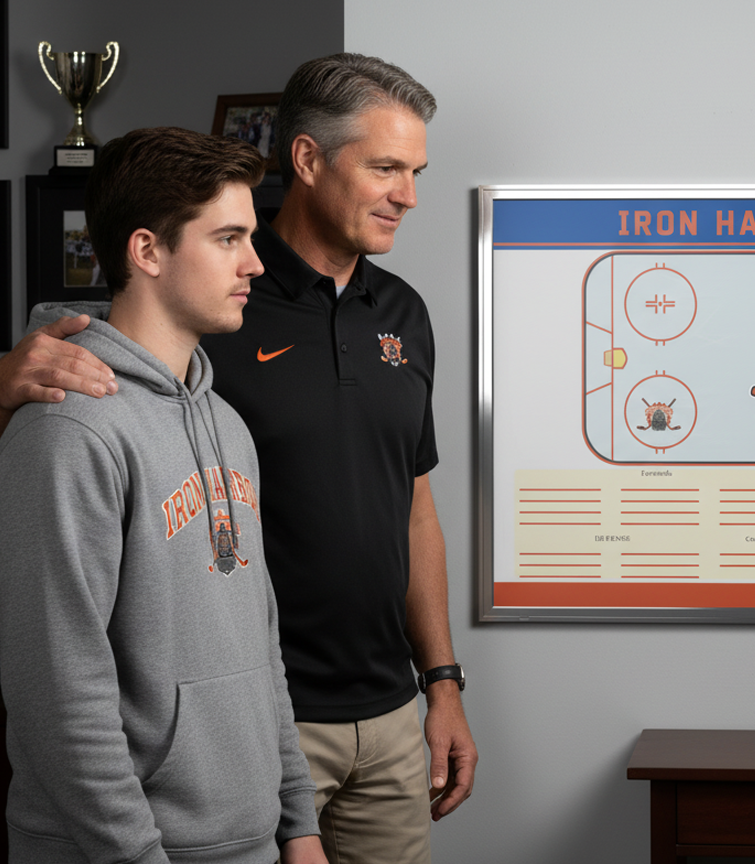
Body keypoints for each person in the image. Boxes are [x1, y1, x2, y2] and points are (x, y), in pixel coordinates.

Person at [0, 54, 477, 864]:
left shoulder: (261, 396)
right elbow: (59, 681)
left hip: (330, 753)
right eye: (386, 167)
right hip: (187, 788)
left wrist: (438, 683)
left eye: (416, 170)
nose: (409, 193)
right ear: (307, 160)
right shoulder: (109, 391)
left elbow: (402, 511)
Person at [0, 128, 327, 864]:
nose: (255, 262)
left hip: (250, 842)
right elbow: (56, 686)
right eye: (229, 238)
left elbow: (260, 642)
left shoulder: (229, 425)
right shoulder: (68, 429)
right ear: (146, 251)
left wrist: (297, 822)